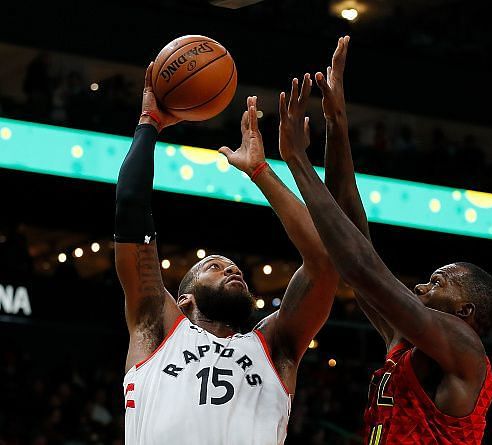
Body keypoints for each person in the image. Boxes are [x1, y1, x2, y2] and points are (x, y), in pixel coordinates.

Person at [282, 36, 492, 444]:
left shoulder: (464, 346)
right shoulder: (408, 342)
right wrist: (337, 124)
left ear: (465, 309)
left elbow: (363, 270)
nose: (421, 286)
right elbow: (354, 238)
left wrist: (298, 162)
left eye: (437, 283)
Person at [114, 63, 338, 444]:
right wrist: (149, 122)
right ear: (183, 299)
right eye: (213, 267)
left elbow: (324, 261)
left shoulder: (275, 346)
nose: (231, 270)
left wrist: (261, 172)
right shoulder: (158, 328)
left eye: (233, 267)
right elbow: (131, 207)